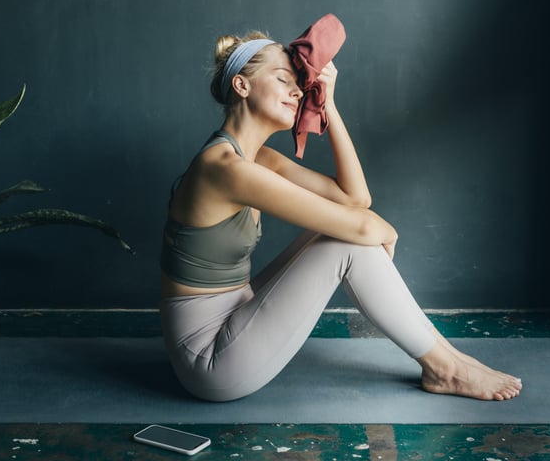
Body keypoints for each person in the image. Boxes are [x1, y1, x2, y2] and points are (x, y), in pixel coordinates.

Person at [159, 31, 523, 403]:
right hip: (208, 359)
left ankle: (450, 359)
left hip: (238, 311)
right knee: (350, 244)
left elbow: (355, 198)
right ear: (241, 85)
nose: (298, 92)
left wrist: (329, 105)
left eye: (299, 86)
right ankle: (446, 369)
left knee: (337, 236)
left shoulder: (258, 159)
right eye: (283, 79)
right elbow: (362, 223)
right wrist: (384, 230)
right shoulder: (224, 168)